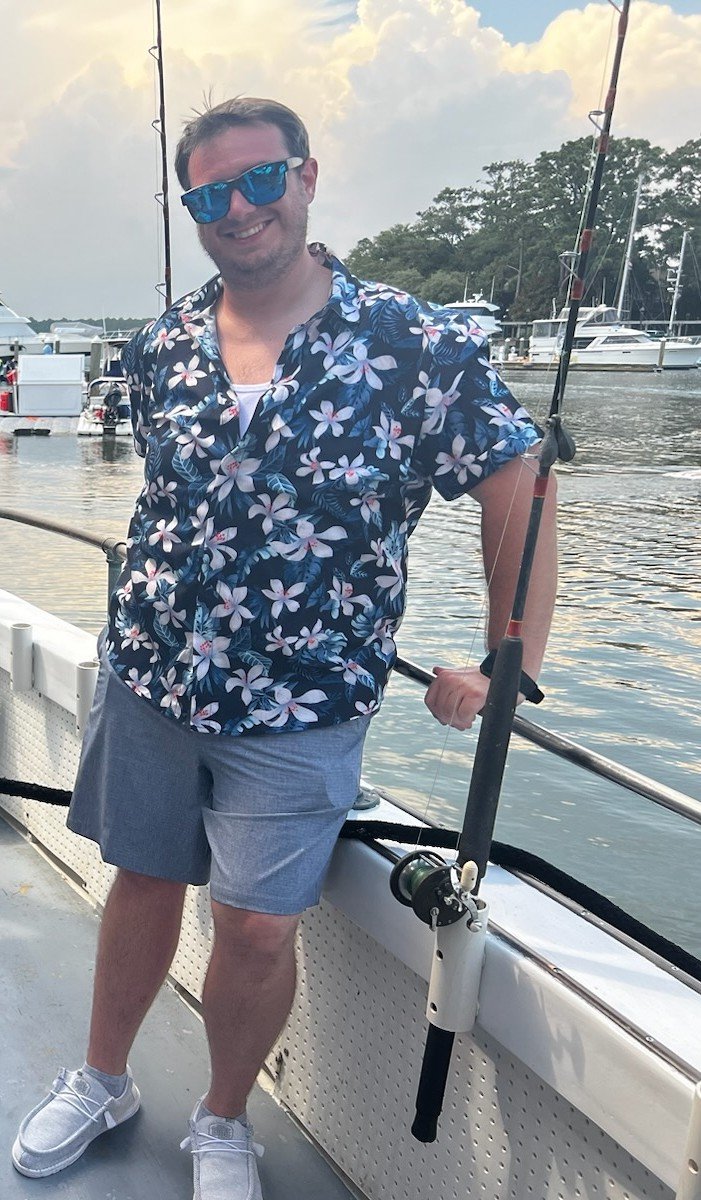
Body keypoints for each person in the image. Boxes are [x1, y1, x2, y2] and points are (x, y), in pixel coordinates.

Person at [12, 97, 557, 1199]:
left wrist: (508, 659)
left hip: (305, 699)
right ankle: (104, 1076)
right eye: (209, 196)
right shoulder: (161, 342)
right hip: (154, 669)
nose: (238, 210)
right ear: (192, 211)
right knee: (141, 879)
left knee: (258, 925)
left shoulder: (415, 342)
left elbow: (519, 480)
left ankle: (221, 1119)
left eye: (260, 181)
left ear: (307, 178)